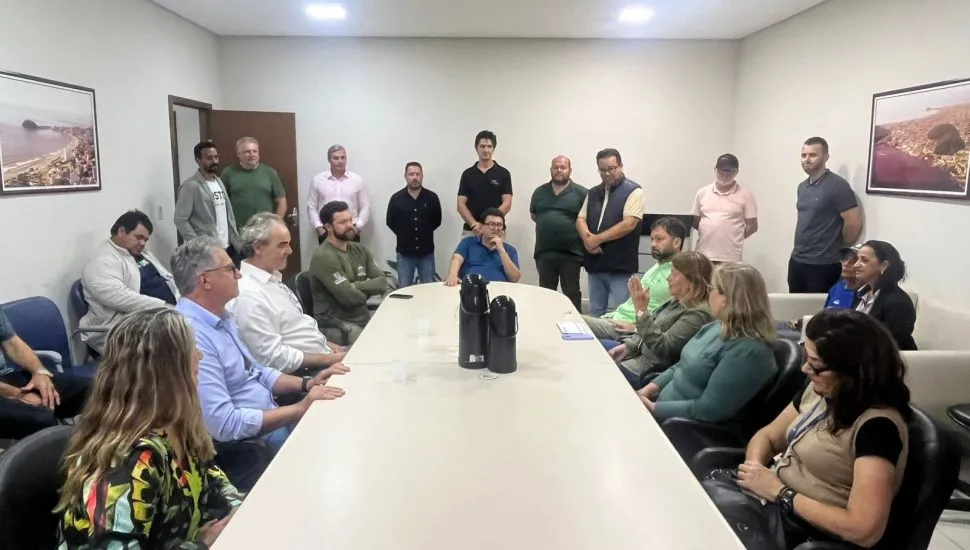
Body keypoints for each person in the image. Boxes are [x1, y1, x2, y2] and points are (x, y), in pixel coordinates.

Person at [702, 309, 911, 549]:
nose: (805, 369)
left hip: (806, 531)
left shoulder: (877, 428)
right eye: (806, 358)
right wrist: (755, 470)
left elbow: (864, 529)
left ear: (853, 371)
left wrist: (781, 493)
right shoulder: (821, 393)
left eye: (816, 365)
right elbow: (768, 436)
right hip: (772, 503)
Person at [56, 309, 243, 549]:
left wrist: (242, 510)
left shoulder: (177, 424)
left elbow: (214, 483)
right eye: (191, 350)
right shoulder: (129, 460)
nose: (200, 355)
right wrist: (202, 544)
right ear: (167, 371)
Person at [171, 237, 348, 462]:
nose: (239, 274)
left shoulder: (222, 316)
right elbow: (224, 424)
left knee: (343, 420)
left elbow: (257, 371)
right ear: (205, 280)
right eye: (230, 269)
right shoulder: (192, 336)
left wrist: (308, 384)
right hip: (251, 446)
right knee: (336, 449)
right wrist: (299, 408)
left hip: (272, 417)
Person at [636, 263, 777, 431]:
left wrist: (653, 408)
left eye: (711, 289)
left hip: (685, 428)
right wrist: (647, 390)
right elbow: (681, 365)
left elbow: (709, 410)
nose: (708, 293)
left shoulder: (750, 351)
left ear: (726, 299)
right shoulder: (718, 326)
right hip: (661, 411)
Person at [228, 213, 348, 374]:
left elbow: (294, 330)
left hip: (324, 357)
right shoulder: (248, 295)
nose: (290, 251)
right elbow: (272, 358)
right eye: (282, 245)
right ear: (258, 248)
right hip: (305, 374)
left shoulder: (272, 279)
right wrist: (329, 360)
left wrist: (329, 346)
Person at [79, 210, 179, 353]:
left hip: (159, 316)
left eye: (145, 239)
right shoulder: (103, 261)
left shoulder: (138, 252)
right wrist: (165, 307)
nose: (143, 243)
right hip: (125, 326)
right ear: (121, 231)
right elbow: (119, 297)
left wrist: (183, 299)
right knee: (185, 342)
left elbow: (165, 276)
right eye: (138, 237)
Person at [607, 251, 715, 381]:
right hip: (636, 354)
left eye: (674, 273)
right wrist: (628, 347)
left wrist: (641, 311)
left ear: (692, 280)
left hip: (645, 370)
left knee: (597, 369)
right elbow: (651, 325)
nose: (668, 278)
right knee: (597, 350)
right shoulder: (677, 300)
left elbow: (664, 348)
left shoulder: (697, 314)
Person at [581, 217, 684, 341]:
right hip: (614, 318)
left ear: (676, 243)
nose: (653, 244)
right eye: (652, 239)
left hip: (628, 329)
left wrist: (635, 328)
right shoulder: (657, 266)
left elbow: (671, 319)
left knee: (572, 321)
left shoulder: (681, 275)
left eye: (659, 239)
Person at [0, 308, 90, 441]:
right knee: (42, 418)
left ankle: (103, 448)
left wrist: (39, 372)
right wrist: (16, 394)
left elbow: (13, 343)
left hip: (7, 376)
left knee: (93, 390)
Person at [576, 148, 645, 316]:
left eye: (611, 169)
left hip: (620, 266)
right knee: (596, 311)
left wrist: (596, 240)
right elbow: (580, 219)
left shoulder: (634, 191)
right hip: (595, 264)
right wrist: (587, 240)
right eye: (602, 170)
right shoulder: (593, 192)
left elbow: (629, 224)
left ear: (621, 166)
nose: (607, 174)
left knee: (621, 313)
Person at [789, 137, 863, 293]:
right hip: (798, 259)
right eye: (804, 155)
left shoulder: (838, 185)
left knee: (818, 307)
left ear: (825, 157)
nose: (806, 159)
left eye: (813, 155)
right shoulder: (802, 187)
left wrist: (837, 247)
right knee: (794, 305)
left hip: (823, 264)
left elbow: (853, 223)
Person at [308, 201, 387, 345]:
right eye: (343, 222)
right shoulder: (324, 257)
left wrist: (354, 285)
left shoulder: (359, 249)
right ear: (328, 227)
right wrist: (368, 288)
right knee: (377, 345)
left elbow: (382, 282)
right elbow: (350, 298)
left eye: (350, 220)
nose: (350, 225)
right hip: (337, 324)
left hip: (361, 317)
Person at [530, 155, 588, 311]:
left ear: (570, 170)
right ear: (551, 170)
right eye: (555, 167)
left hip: (571, 254)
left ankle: (575, 322)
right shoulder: (540, 192)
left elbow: (587, 220)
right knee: (546, 293)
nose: (559, 170)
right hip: (544, 252)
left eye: (563, 167)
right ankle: (546, 321)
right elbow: (534, 215)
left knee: (572, 293)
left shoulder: (581, 193)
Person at [777, 244, 861, 340]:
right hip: (817, 328)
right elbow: (823, 314)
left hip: (828, 337)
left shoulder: (859, 294)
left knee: (775, 335)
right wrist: (802, 321)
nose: (846, 264)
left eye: (853, 261)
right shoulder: (838, 286)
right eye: (845, 259)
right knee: (772, 325)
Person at [175, 141, 241, 261]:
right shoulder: (191, 186)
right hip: (207, 250)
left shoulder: (219, 182)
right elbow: (180, 219)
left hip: (228, 246)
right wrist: (197, 244)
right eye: (209, 158)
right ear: (198, 160)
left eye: (216, 157)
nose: (214, 161)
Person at [693, 153, 758, 264]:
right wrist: (711, 231)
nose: (725, 175)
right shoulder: (702, 192)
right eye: (721, 172)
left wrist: (733, 236)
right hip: (703, 254)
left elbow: (752, 226)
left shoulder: (746, 194)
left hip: (730, 257)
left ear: (736, 172)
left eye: (730, 172)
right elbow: (695, 221)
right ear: (715, 170)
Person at [852, 240, 917, 351]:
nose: (856, 265)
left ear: (883, 265)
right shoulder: (861, 293)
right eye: (857, 259)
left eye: (864, 260)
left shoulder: (898, 303)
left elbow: (889, 343)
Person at [385, 161, 442, 287]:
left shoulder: (432, 198)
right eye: (411, 174)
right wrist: (404, 234)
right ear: (405, 176)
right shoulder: (396, 199)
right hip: (404, 254)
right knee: (404, 289)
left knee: (429, 289)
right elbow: (390, 221)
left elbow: (437, 221)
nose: (415, 177)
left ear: (422, 176)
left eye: (417, 174)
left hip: (426, 253)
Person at [307, 144, 370, 244]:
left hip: (350, 230)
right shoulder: (317, 180)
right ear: (329, 160)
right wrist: (319, 228)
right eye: (336, 158)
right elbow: (311, 206)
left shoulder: (357, 180)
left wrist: (358, 227)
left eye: (343, 157)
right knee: (328, 255)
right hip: (327, 230)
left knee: (351, 255)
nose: (340, 161)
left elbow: (365, 206)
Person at [221, 137, 287, 227]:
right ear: (238, 154)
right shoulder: (228, 173)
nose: (252, 155)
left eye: (254, 151)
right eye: (247, 152)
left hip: (265, 229)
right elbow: (221, 203)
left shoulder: (269, 172)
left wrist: (277, 223)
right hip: (238, 228)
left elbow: (281, 201)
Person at [444, 208, 521, 285]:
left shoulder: (510, 249)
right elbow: (456, 259)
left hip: (500, 288)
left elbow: (515, 278)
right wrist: (452, 275)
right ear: (481, 226)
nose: (496, 228)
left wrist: (501, 250)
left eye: (499, 225)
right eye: (492, 224)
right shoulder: (468, 243)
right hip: (472, 287)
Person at [457, 130, 512, 237]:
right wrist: (474, 224)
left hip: (496, 230)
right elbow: (460, 204)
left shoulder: (503, 173)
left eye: (489, 146)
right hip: (471, 230)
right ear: (476, 148)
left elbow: (507, 203)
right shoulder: (467, 174)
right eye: (482, 146)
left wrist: (490, 223)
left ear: (493, 148)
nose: (486, 150)